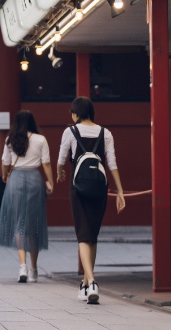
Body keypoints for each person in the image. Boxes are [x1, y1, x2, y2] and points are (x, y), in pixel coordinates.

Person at [56, 96, 126, 304]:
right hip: (99, 186)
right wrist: (120, 192)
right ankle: (86, 286)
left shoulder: (70, 132)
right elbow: (112, 163)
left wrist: (60, 173)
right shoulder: (106, 133)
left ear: (76, 113)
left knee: (82, 234)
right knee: (92, 234)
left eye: (72, 112)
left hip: (78, 186)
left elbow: (60, 160)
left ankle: (92, 281)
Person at [0, 110, 54, 283]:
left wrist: (5, 176)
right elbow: (47, 164)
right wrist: (51, 182)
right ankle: (34, 269)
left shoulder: (10, 140)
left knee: (19, 223)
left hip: (15, 181)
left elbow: (5, 163)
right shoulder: (40, 139)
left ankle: (22, 266)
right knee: (34, 224)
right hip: (34, 180)